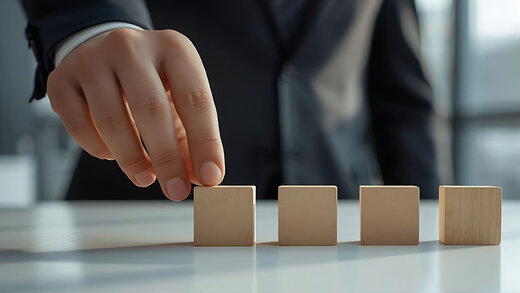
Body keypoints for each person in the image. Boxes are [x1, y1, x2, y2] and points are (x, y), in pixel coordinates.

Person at [21, 0, 440, 201]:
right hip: (147, 210)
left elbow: (403, 100)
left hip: (339, 222)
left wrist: (433, 224)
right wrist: (94, 22)